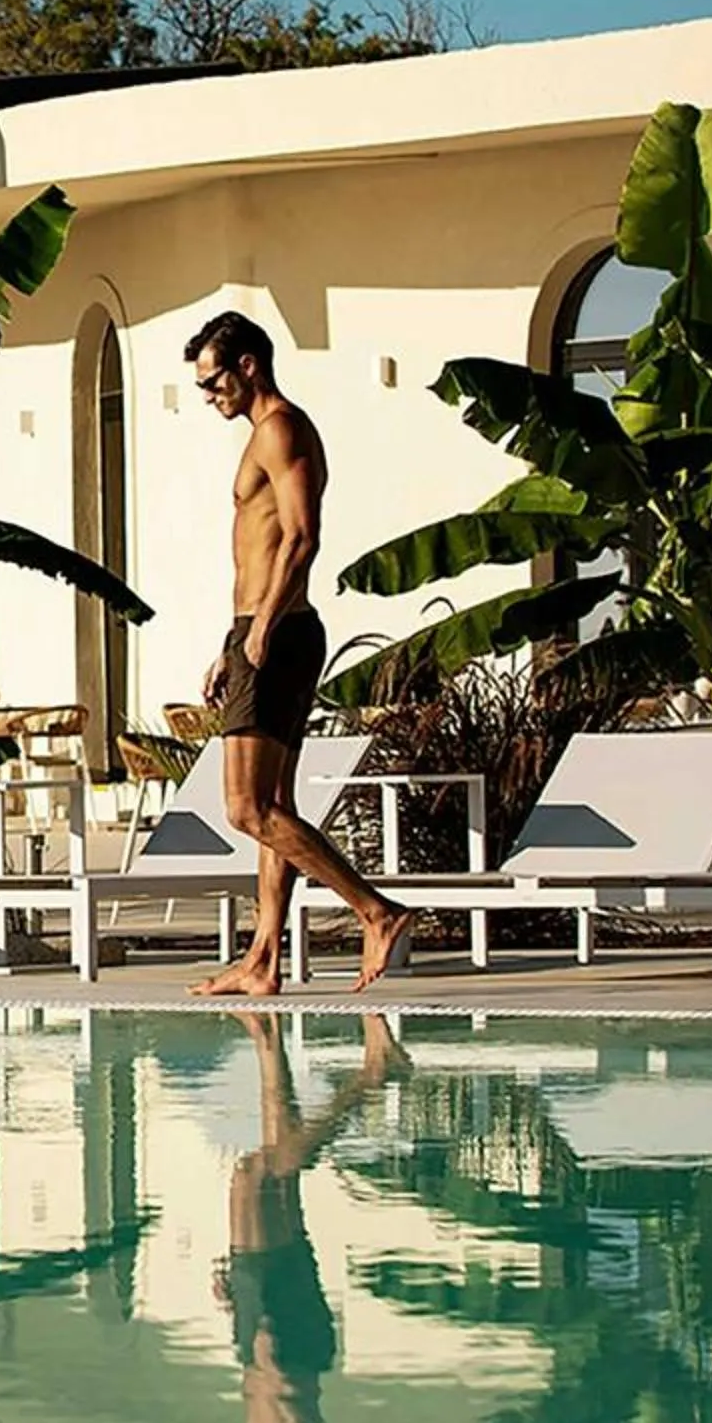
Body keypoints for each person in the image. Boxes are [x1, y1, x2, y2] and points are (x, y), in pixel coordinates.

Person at [182, 310, 417, 995]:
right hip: (259, 627)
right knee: (273, 804)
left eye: (213, 379)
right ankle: (262, 961)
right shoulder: (264, 433)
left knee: (245, 807)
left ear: (248, 365)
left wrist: (258, 632)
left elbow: (302, 538)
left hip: (277, 628)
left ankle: (377, 911)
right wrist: (235, 642)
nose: (209, 395)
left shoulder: (281, 429)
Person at [219, 1011, 401, 1423]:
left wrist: (241, 1316)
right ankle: (371, 1079)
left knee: (274, 1180)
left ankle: (268, 1045)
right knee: (255, 1176)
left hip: (263, 1348)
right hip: (287, 1355)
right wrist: (274, 1356)